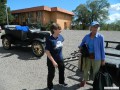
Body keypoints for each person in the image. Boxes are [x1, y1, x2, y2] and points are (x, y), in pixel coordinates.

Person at [78, 21, 105, 87]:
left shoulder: (100, 37)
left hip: (97, 57)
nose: (95, 28)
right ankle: (84, 81)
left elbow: (102, 48)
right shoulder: (86, 36)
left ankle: (95, 84)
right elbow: (82, 43)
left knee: (96, 71)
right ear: (91, 28)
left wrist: (103, 59)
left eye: (97, 27)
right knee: (86, 69)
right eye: (94, 26)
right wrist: (80, 47)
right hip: (88, 56)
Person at [45, 23, 67, 90]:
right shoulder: (49, 39)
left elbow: (61, 42)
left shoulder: (60, 37)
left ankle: (61, 82)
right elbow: (47, 52)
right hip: (52, 59)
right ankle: (50, 87)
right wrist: (53, 61)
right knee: (51, 74)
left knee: (62, 70)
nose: (60, 30)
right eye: (59, 29)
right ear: (54, 30)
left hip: (60, 58)